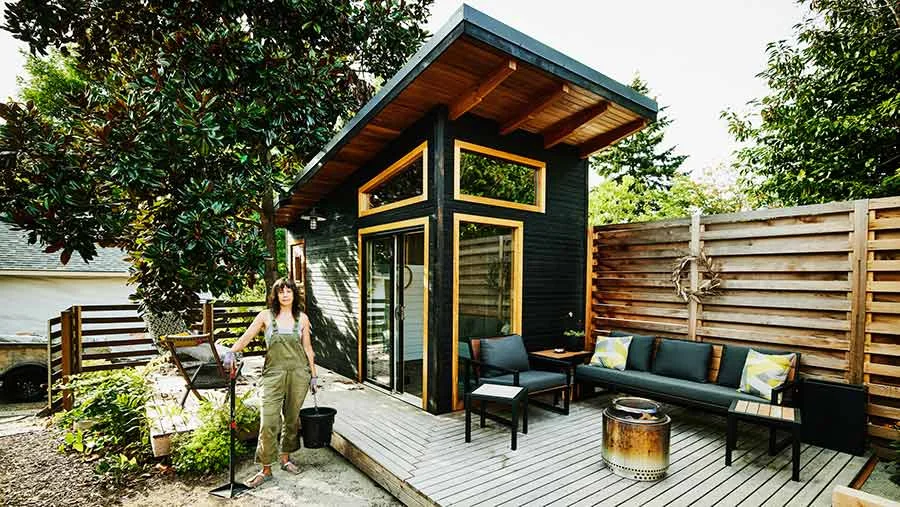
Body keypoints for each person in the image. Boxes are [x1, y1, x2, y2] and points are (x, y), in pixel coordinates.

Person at [223, 277, 317, 488]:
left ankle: (285, 459)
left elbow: (308, 348)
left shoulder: (302, 318)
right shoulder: (265, 316)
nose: (285, 295)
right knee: (269, 420)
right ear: (275, 295)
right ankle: (265, 469)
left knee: (292, 419)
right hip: (273, 374)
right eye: (281, 291)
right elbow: (247, 336)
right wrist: (231, 351)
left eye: (289, 291)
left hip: (299, 374)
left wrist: (314, 374)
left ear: (294, 295)